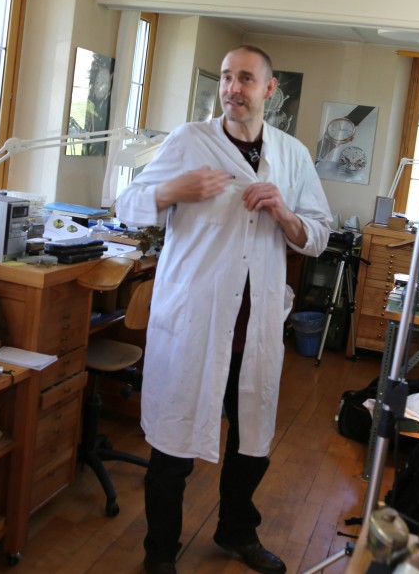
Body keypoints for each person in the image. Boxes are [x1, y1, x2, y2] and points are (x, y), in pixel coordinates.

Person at [115, 45, 332, 574]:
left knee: (252, 440)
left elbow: (320, 235)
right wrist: (173, 189)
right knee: (173, 444)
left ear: (269, 89)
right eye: (227, 78)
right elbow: (125, 204)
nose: (234, 88)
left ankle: (237, 531)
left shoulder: (292, 154)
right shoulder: (190, 141)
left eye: (246, 79)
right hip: (195, 322)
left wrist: (284, 212)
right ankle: (159, 554)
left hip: (253, 327)